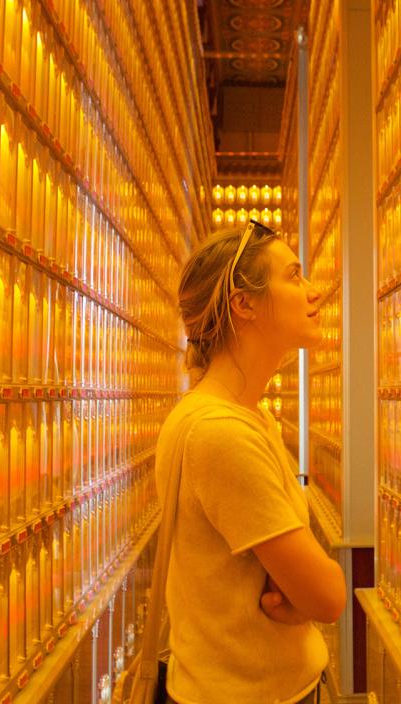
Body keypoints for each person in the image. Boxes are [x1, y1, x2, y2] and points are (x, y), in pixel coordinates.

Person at [153, 220, 346, 704]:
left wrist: (300, 594)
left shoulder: (236, 415)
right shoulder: (221, 432)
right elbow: (329, 597)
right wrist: (309, 593)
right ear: (244, 303)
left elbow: (304, 594)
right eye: (294, 276)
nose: (314, 292)